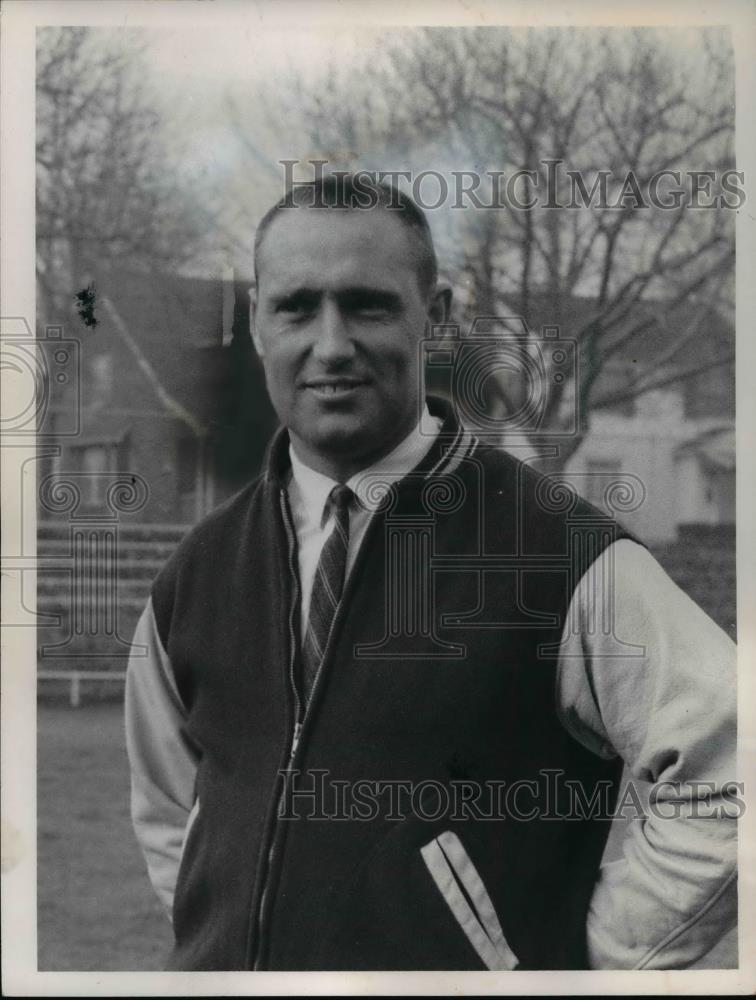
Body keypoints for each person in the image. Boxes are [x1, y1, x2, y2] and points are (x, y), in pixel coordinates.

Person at [125, 176, 737, 972]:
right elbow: (174, 815)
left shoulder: (559, 553)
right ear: (255, 325)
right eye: (296, 307)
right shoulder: (194, 576)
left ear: (436, 318)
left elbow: (733, 771)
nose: (332, 343)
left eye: (369, 304)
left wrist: (596, 964)